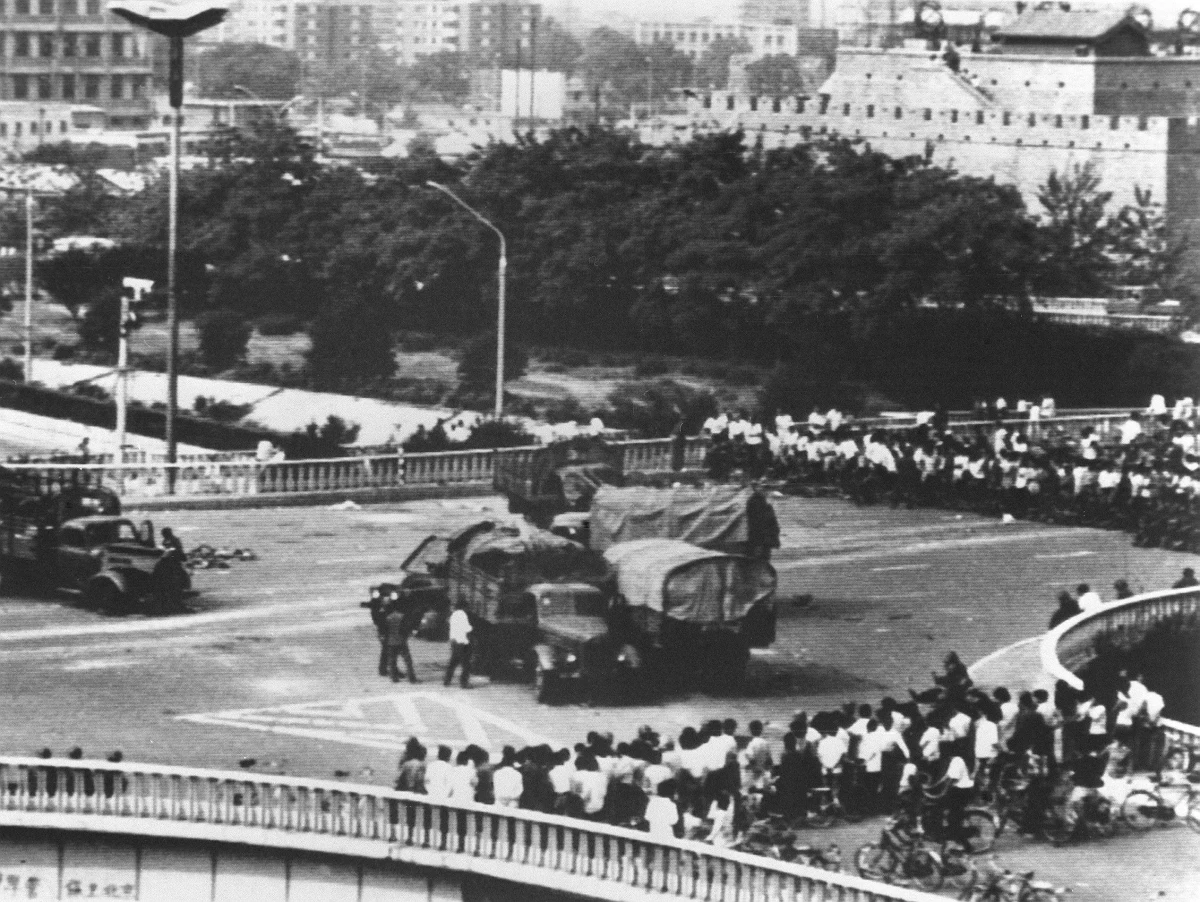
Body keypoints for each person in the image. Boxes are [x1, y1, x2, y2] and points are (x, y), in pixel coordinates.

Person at [383, 601, 419, 683]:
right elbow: (406, 628)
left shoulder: (387, 618)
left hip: (391, 642)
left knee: (392, 661)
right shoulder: (402, 617)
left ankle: (394, 678)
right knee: (408, 661)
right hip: (401, 641)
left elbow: (385, 630)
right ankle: (412, 679)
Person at [444, 600, 472, 688]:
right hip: (461, 641)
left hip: (453, 641)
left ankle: (447, 680)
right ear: (464, 607)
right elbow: (466, 628)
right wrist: (471, 628)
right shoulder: (462, 614)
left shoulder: (453, 614)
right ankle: (464, 683)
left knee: (453, 662)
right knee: (466, 664)